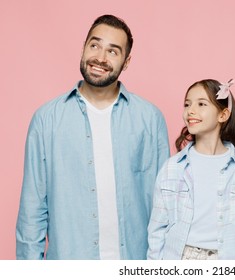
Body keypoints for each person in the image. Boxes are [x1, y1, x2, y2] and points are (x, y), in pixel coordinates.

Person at [16, 14, 170, 260]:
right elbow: (32, 211)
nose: (100, 57)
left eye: (113, 51)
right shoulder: (46, 119)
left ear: (126, 62)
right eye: (95, 45)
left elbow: (165, 205)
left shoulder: (149, 119)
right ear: (83, 48)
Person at [147, 79, 235, 260]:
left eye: (201, 104)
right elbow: (157, 230)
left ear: (223, 115)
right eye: (187, 104)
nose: (190, 111)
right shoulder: (172, 167)